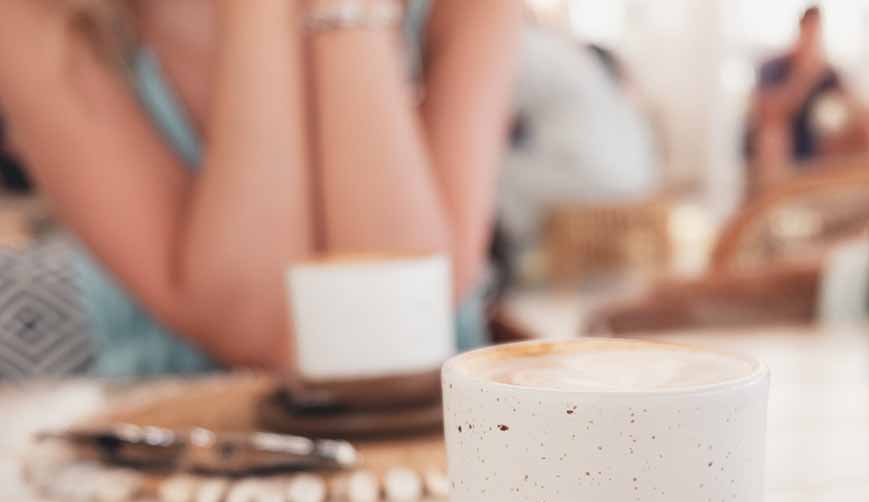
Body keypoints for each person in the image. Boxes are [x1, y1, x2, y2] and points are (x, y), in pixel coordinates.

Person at [0, 0, 519, 377]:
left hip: (433, 467)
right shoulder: (37, 21)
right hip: (170, 478)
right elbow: (260, 329)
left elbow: (400, 308)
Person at [494, 25, 659, 281]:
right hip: (638, 177)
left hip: (587, 177)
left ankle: (496, 272)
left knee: (481, 177)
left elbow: (483, 109)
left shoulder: (518, 44)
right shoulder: (577, 60)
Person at [745, 6, 844, 180]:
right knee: (773, 132)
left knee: (866, 127)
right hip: (783, 139)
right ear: (801, 30)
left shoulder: (828, 72)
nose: (813, 38)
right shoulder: (773, 65)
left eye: (817, 33)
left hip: (815, 140)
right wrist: (805, 78)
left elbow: (846, 106)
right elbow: (768, 110)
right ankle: (777, 194)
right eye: (810, 31)